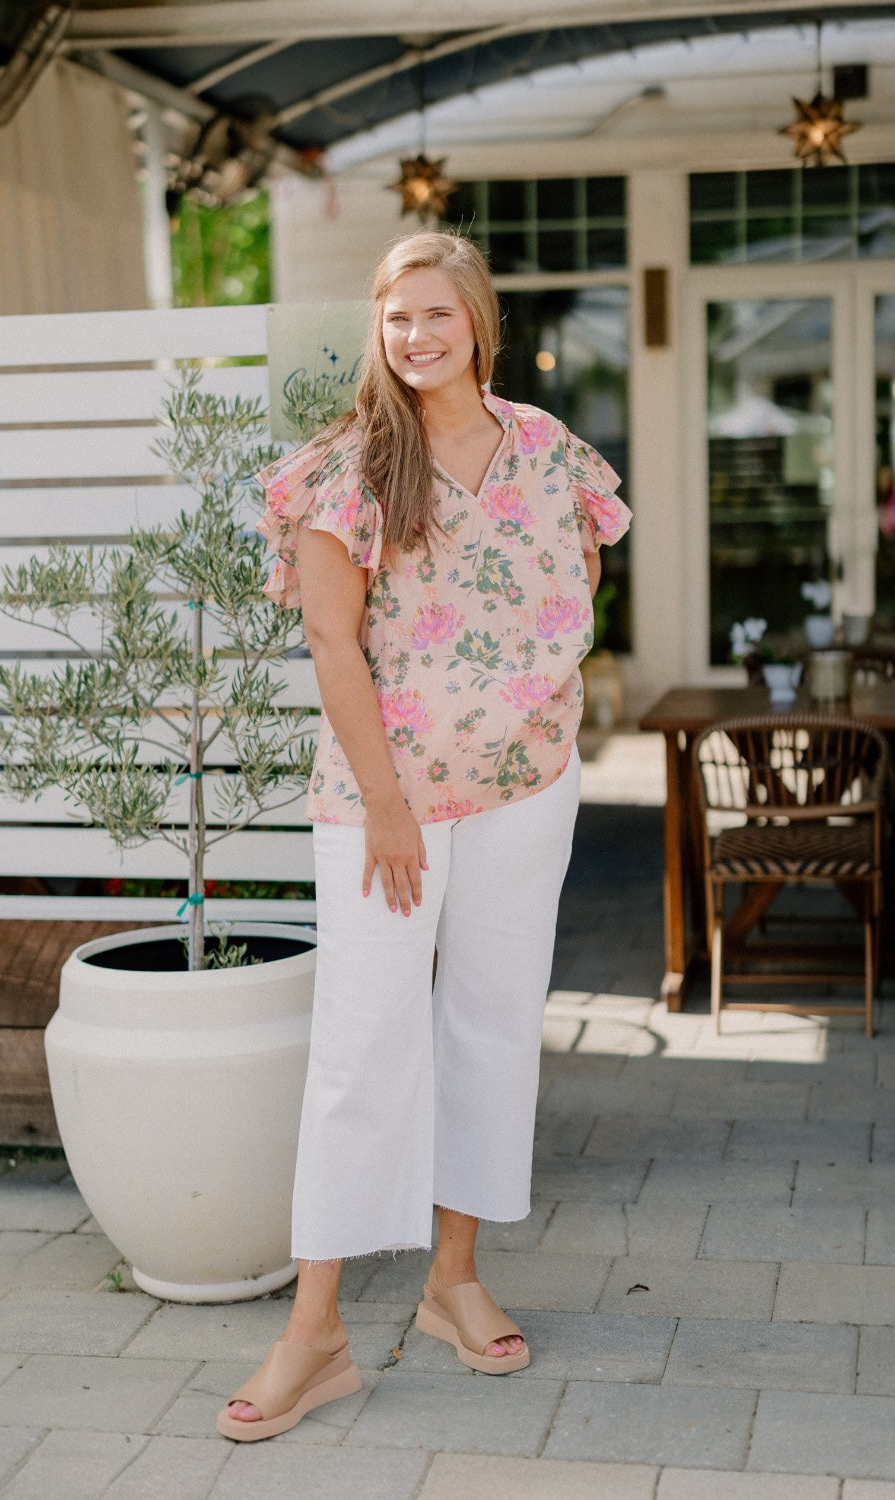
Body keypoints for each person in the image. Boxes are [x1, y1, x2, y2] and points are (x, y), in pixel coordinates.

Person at [217, 229, 631, 1442]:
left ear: (479, 324)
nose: (415, 336)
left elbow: (577, 587)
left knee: (494, 1023)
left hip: (523, 787)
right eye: (397, 317)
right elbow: (333, 643)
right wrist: (388, 805)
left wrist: (538, 704)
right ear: (379, 330)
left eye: (436, 315)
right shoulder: (347, 466)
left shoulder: (550, 451)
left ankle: (453, 1283)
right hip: (381, 807)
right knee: (361, 1048)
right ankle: (316, 1333)